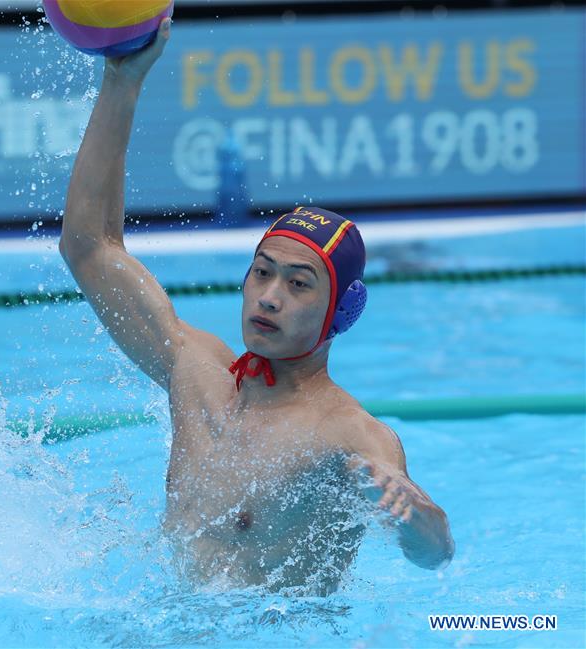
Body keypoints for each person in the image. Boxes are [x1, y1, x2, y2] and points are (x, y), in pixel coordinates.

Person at [59, 17, 454, 595]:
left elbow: (435, 555)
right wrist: (122, 81)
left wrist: (412, 512)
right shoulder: (194, 373)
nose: (269, 296)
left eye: (299, 284)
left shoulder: (347, 433)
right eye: (262, 273)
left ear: (340, 313)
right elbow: (88, 247)